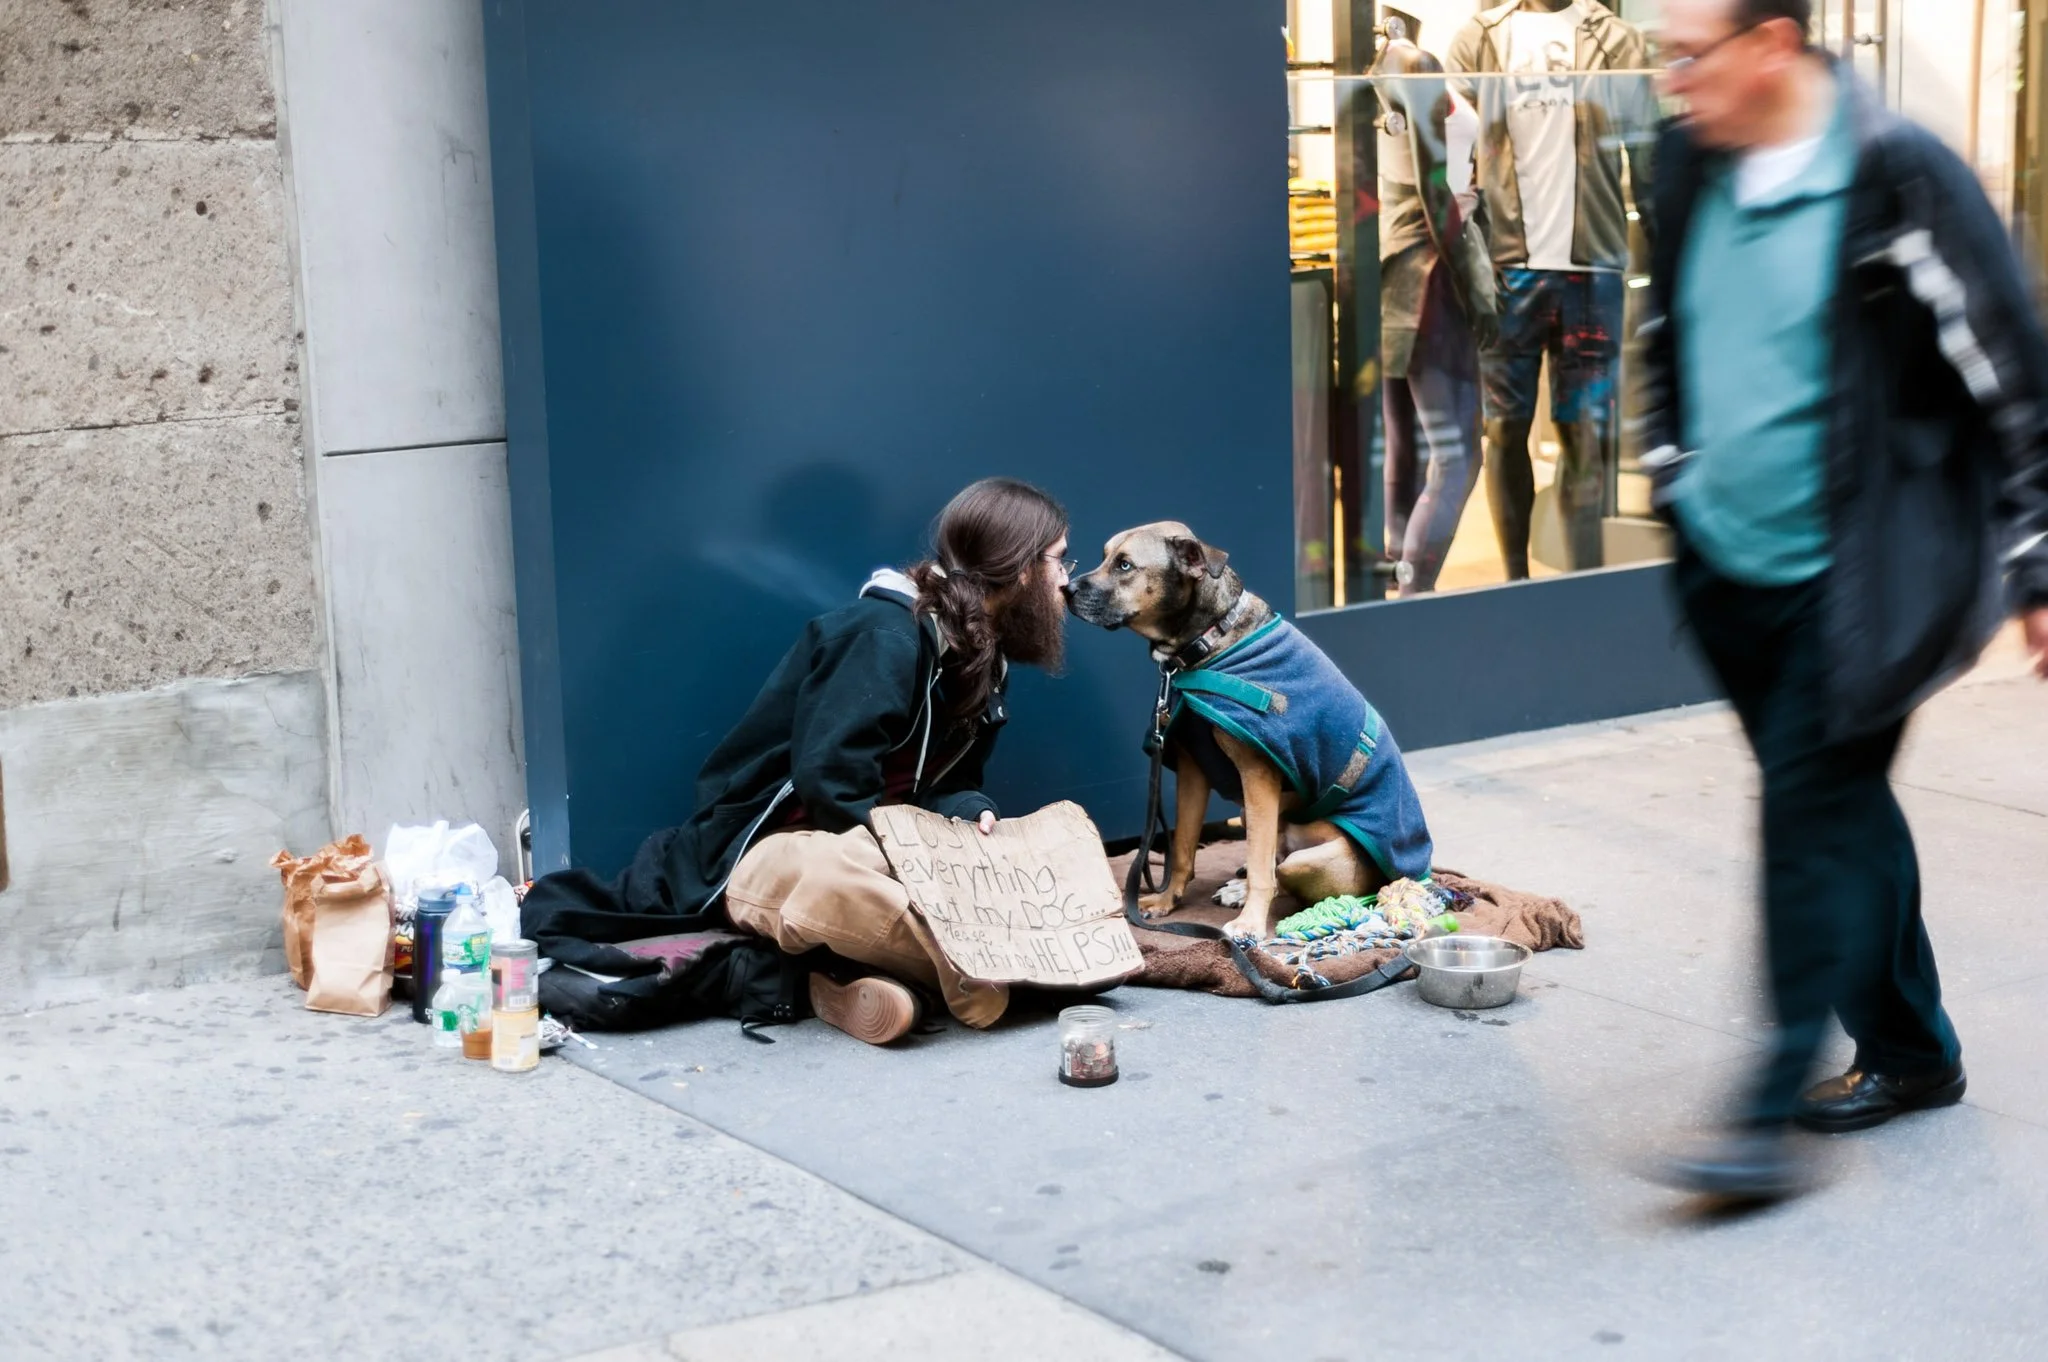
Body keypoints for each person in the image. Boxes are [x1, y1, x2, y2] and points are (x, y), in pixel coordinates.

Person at [1643, 0, 2048, 1199]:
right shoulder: (1686, 159)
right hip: (1724, 563)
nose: (1669, 83)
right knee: (1833, 801)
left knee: (1806, 817)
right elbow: (1666, 329)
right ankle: (1914, 1051)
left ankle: (1758, 1111)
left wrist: (2036, 567)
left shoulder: (1894, 176)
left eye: (1686, 55)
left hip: (1862, 574)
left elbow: (2015, 377)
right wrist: (1672, 473)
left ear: (1769, 46)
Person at [520, 477, 1074, 1044]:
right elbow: (830, 781)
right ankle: (984, 982)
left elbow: (947, 782)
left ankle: (830, 983)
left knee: (1002, 864)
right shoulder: (885, 637)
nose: (1066, 579)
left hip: (875, 842)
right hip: (770, 851)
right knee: (846, 877)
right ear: (1022, 568)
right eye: (1058, 560)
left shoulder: (982, 660)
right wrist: (912, 857)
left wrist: (968, 811)